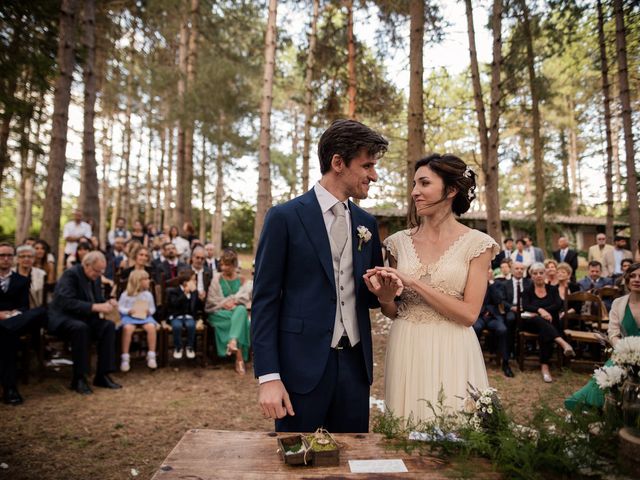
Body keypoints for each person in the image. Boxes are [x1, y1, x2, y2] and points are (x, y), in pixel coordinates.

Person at [252, 119, 387, 433]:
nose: (374, 175)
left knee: (352, 462)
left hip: (355, 368)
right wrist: (269, 376)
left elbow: (369, 297)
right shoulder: (284, 217)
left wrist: (384, 293)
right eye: (367, 165)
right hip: (300, 368)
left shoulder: (367, 223)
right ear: (338, 163)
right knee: (298, 463)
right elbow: (265, 302)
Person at [365, 153, 499, 422]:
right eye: (414, 184)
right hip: (406, 344)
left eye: (424, 184)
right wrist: (386, 299)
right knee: (406, 425)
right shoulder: (396, 243)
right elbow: (394, 311)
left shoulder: (477, 244)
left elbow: (469, 314)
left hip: (453, 346)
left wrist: (413, 282)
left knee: (452, 425)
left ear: (450, 190)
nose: (415, 192)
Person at [565, 263, 640, 411]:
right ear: (627, 280)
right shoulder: (618, 303)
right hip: (623, 354)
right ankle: (600, 413)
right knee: (605, 378)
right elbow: (613, 334)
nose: (637, 279)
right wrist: (626, 353)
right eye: (633, 276)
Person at [48, 251, 121, 394]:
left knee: (108, 326)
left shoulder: (96, 277)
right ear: (86, 265)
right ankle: (79, 378)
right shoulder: (70, 275)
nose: (99, 274)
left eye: (102, 271)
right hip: (64, 318)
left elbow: (97, 299)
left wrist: (108, 302)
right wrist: (95, 307)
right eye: (96, 271)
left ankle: (102, 375)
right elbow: (66, 302)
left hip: (85, 318)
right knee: (80, 328)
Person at [0, 243, 47, 404]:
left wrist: (12, 315)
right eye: (2, 256)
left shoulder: (21, 281)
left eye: (8, 256)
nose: (5, 259)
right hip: (4, 323)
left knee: (40, 311)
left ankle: (10, 387)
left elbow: (23, 307)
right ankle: (10, 388)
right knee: (9, 336)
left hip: (14, 320)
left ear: (13, 259)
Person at [521, 262, 575, 383]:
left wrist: (544, 312)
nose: (538, 275)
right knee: (539, 320)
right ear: (531, 276)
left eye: (541, 273)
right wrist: (540, 310)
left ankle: (545, 367)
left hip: (548, 324)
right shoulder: (527, 290)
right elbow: (525, 305)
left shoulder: (552, 289)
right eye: (535, 273)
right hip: (531, 324)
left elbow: (557, 304)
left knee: (545, 330)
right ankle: (562, 342)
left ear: (545, 274)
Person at [205, 249, 252, 375]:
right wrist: (223, 304)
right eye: (222, 264)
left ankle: (233, 344)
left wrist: (235, 302)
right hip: (219, 313)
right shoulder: (216, 279)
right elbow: (211, 300)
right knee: (242, 322)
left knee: (241, 310)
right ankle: (239, 358)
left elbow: (246, 299)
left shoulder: (242, 280)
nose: (224, 267)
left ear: (234, 265)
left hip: (235, 312)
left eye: (227, 265)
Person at [473, 269, 513, 377]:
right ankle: (474, 362)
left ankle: (505, 363)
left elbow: (499, 300)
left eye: (489, 273)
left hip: (493, 317)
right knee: (475, 329)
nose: (487, 274)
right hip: (479, 316)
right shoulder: (475, 284)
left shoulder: (498, 285)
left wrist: (491, 284)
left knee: (502, 329)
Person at [118, 270, 158, 371]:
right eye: (146, 279)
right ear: (138, 281)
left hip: (144, 317)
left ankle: (151, 355)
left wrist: (149, 312)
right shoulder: (126, 294)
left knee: (151, 327)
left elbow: (153, 308)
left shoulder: (148, 295)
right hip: (129, 317)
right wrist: (128, 311)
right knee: (127, 329)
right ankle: (125, 357)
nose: (148, 281)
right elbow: (120, 307)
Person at [166, 269, 198, 360]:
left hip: (189, 316)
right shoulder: (173, 291)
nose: (195, 282)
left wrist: (198, 296)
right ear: (185, 282)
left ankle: (190, 347)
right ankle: (178, 347)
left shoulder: (194, 292)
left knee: (191, 325)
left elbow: (196, 306)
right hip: (176, 316)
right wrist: (185, 294)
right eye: (193, 280)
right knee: (177, 326)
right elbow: (174, 304)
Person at [184, 245, 211, 314]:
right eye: (197, 258)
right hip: (189, 300)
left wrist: (205, 294)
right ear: (192, 257)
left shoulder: (208, 271)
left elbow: (210, 287)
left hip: (205, 300)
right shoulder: (184, 270)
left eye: (202, 259)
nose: (199, 260)